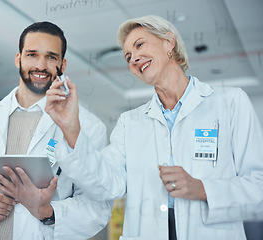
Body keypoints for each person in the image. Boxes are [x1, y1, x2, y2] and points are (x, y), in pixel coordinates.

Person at [45, 15, 263, 240]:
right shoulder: (130, 122)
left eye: (139, 45)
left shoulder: (231, 103)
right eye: (128, 56)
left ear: (169, 43)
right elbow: (106, 184)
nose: (134, 59)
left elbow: (259, 186)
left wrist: (204, 189)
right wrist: (71, 128)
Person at [0, 21, 113, 240]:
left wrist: (46, 212)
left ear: (63, 64)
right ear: (18, 59)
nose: (41, 65)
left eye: (51, 57)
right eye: (32, 54)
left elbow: (98, 207)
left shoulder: (88, 127)